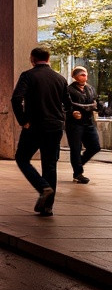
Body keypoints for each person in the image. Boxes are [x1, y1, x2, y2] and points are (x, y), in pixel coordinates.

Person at [11, 46, 68, 216]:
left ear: (32, 58)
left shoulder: (28, 76)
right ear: (48, 58)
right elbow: (69, 104)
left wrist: (23, 121)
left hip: (35, 125)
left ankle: (43, 187)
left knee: (22, 158)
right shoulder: (60, 78)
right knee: (50, 164)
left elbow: (16, 99)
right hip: (55, 126)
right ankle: (48, 207)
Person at [65, 66, 101, 184]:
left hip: (89, 122)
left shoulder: (90, 89)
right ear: (75, 77)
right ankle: (78, 173)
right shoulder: (68, 90)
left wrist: (99, 107)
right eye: (82, 74)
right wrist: (72, 113)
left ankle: (78, 163)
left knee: (95, 147)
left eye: (85, 74)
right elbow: (63, 106)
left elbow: (96, 101)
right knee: (76, 148)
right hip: (74, 124)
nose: (85, 76)